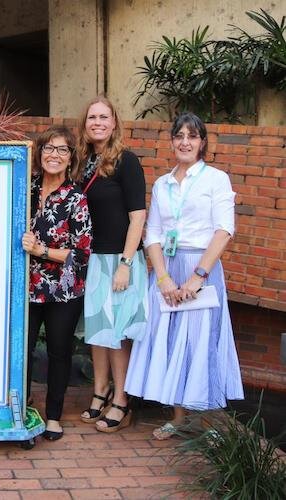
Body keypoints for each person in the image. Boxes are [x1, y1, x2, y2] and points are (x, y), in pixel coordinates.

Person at [125, 112, 243, 440]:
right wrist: (162, 278)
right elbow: (154, 234)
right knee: (172, 339)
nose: (185, 142)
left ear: (202, 142)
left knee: (202, 341)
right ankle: (178, 418)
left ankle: (207, 422)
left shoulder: (215, 179)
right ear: (172, 141)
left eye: (192, 136)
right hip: (168, 269)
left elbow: (224, 229)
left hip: (201, 268)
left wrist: (198, 276)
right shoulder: (163, 184)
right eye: (179, 136)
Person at [75, 96, 148, 433]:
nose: (98, 123)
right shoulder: (83, 162)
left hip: (119, 259)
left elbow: (138, 218)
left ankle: (122, 398)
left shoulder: (127, 161)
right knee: (98, 331)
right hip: (92, 259)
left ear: (114, 123)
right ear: (85, 124)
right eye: (92, 117)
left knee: (117, 333)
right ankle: (99, 391)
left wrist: (125, 263)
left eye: (104, 117)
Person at [22, 126, 92, 441]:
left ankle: (53, 416)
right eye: (49, 148)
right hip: (24, 286)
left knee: (59, 351)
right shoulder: (24, 187)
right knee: (20, 348)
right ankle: (20, 407)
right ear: (39, 154)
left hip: (63, 290)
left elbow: (82, 253)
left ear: (71, 158)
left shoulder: (76, 198)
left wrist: (43, 251)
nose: (54, 155)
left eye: (62, 150)